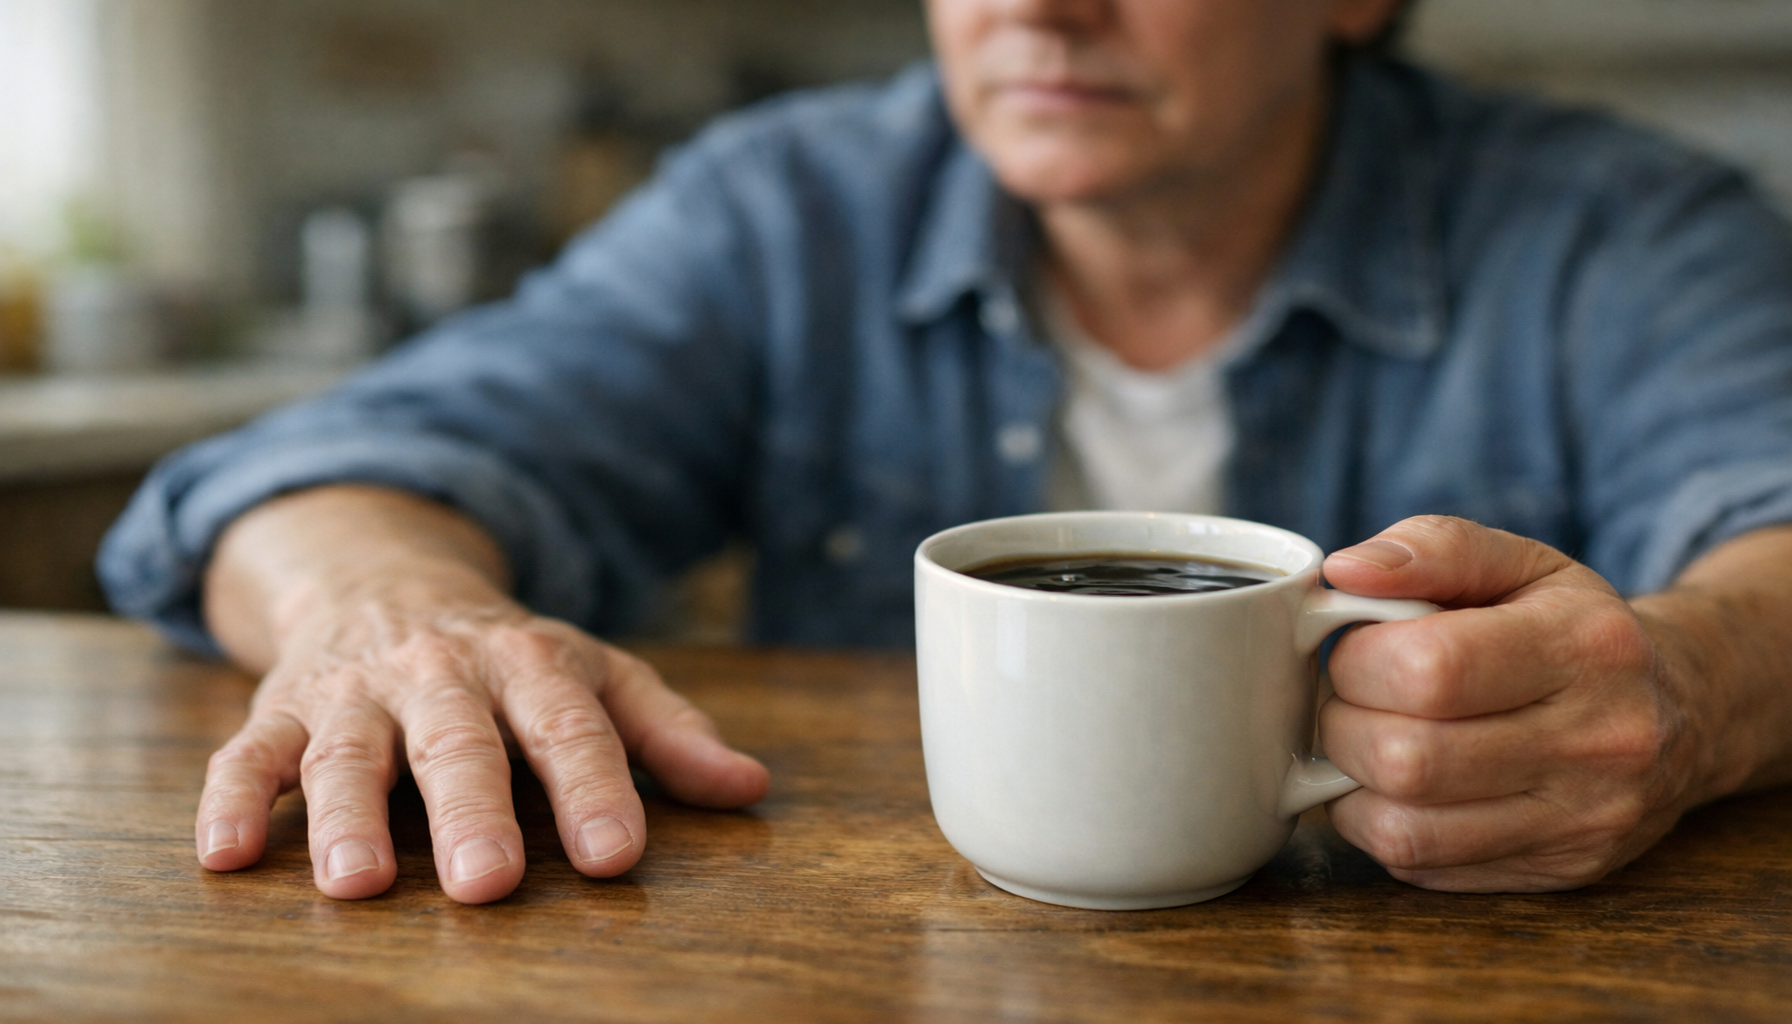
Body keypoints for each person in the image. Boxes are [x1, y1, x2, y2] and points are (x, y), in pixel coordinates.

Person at [101, 0, 1792, 906]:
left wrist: (1694, 686)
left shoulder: (1616, 229)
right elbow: (332, 464)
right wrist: (392, 605)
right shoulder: (782, 205)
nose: (1041, 9)